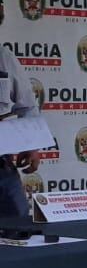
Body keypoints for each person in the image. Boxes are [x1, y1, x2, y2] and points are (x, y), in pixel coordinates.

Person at [1, 44, 43, 219]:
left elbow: (27, 105)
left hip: (1, 166)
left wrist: (31, 144)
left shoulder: (2, 56)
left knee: (19, 222)